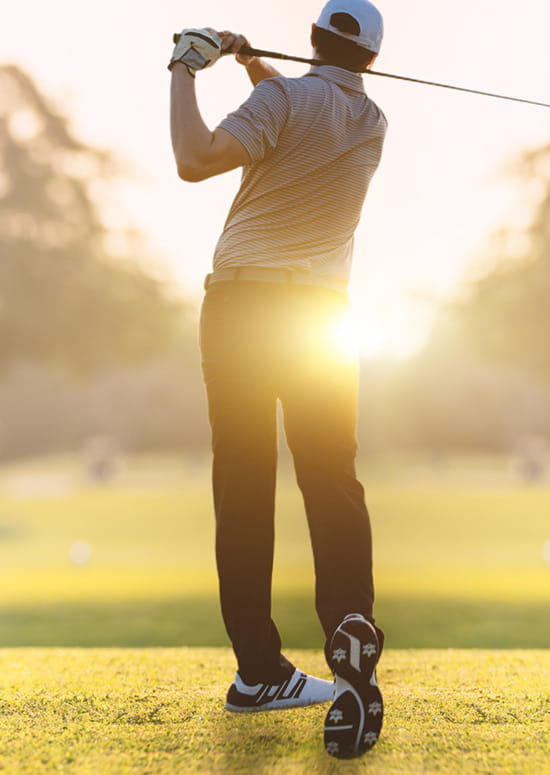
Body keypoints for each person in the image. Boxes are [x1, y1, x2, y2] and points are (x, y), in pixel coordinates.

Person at [167, 0, 386, 759]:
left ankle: (259, 670)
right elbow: (304, 108)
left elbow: (195, 160)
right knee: (332, 479)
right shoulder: (371, 121)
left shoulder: (284, 99)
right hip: (322, 322)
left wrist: (184, 69)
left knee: (245, 484)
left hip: (242, 311)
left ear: (314, 37)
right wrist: (254, 65)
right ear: (372, 61)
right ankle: (349, 625)